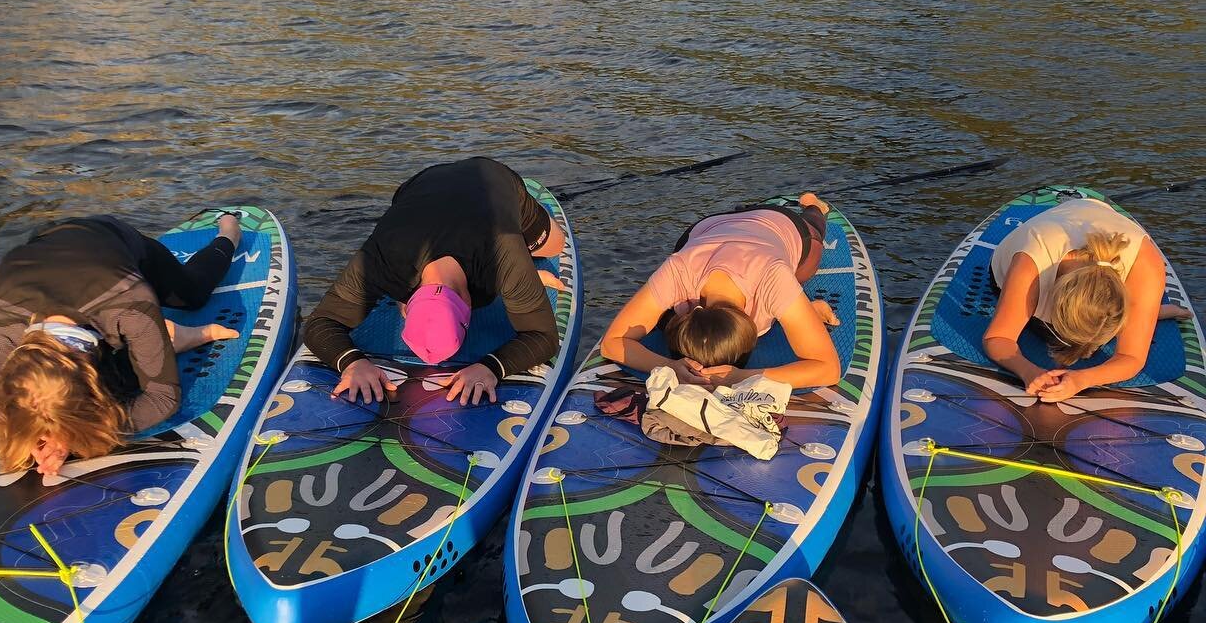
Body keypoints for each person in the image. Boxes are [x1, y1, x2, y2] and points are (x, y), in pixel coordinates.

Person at [0, 213, 243, 476]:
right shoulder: (1, 327)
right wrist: (26, 432)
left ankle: (229, 231)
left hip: (111, 241)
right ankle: (167, 339)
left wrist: (78, 434)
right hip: (44, 252)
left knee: (193, 295)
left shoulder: (129, 306)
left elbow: (163, 398)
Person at [303, 156, 565, 407]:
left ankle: (530, 266)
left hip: (491, 178)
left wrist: (492, 368)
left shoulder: (503, 252)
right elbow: (320, 323)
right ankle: (522, 281)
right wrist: (351, 362)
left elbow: (545, 337)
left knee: (554, 245)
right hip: (421, 184)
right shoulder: (381, 257)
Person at [600, 193, 841, 390]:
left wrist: (742, 376)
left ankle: (814, 207)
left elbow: (828, 369)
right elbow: (611, 344)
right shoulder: (678, 270)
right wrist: (669, 366)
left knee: (814, 232)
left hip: (784, 225)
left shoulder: (773, 279)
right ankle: (799, 313)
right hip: (711, 227)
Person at [983, 197, 1186, 404]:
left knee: (1086, 339)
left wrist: (1081, 380)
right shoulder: (1031, 265)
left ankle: (1145, 312)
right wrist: (1029, 372)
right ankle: (1144, 314)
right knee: (1063, 342)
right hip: (1024, 254)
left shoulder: (1147, 263)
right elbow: (998, 338)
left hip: (1090, 214)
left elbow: (1132, 358)